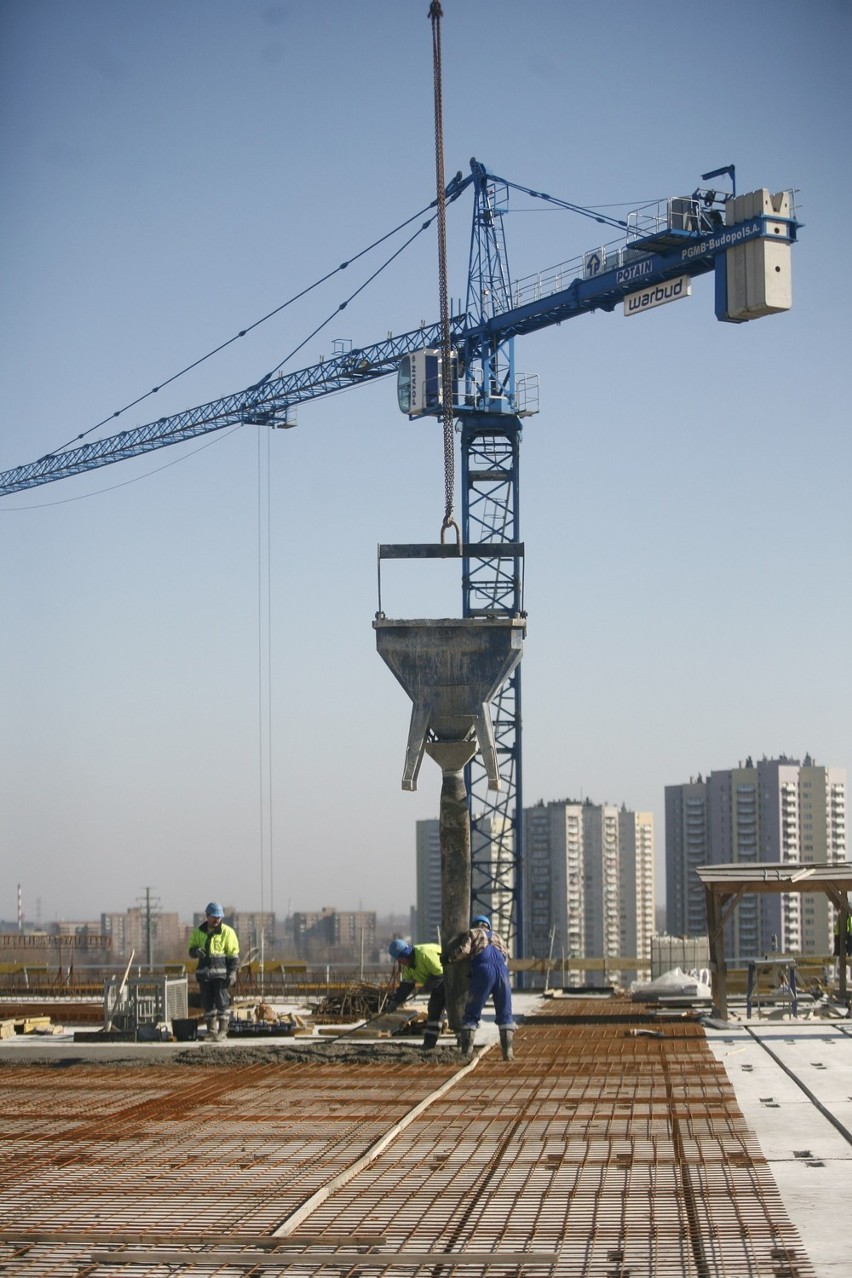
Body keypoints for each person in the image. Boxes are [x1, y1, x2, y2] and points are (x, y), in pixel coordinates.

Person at [445, 915, 514, 1061]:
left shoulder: (472, 933)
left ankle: (466, 1052)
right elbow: (506, 959)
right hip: (503, 974)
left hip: (484, 972)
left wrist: (449, 958)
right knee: (505, 1014)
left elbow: (464, 950)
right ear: (488, 926)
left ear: (475, 924)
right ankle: (508, 1052)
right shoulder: (499, 937)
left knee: (471, 1013)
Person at [188, 902, 240, 1041]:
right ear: (207, 916)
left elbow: (233, 955)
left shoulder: (227, 932)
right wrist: (195, 952)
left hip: (221, 976)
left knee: (222, 1001)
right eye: (214, 917)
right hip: (204, 975)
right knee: (207, 1002)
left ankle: (223, 1031)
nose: (216, 920)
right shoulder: (199, 932)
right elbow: (191, 950)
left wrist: (232, 972)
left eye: (219, 917)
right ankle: (211, 1031)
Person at [387, 938, 446, 1050]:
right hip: (439, 985)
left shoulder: (424, 954)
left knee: (455, 1012)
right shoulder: (408, 967)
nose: (399, 963)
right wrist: (395, 1002)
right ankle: (429, 1044)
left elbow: (440, 974)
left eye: (399, 959)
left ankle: (464, 1043)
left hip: (452, 981)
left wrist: (426, 987)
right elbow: (405, 986)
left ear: (405, 955)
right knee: (434, 1009)